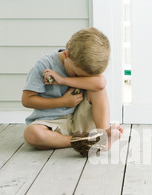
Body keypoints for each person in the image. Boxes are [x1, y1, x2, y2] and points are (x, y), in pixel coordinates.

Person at [22, 27, 124, 155]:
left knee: (98, 90)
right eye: (76, 74)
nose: (79, 79)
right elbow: (27, 100)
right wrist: (63, 102)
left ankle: (102, 134)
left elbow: (101, 83)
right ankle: (83, 141)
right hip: (52, 123)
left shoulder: (80, 66)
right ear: (66, 55)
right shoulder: (44, 65)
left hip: (79, 119)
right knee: (32, 134)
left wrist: (63, 80)